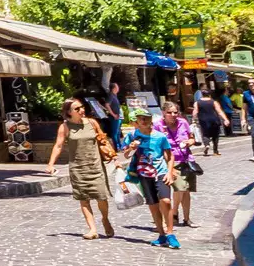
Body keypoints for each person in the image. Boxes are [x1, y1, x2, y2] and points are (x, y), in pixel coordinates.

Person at [44, 97, 115, 239]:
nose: (82, 110)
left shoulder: (92, 123)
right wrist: (50, 164)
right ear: (69, 112)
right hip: (78, 168)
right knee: (84, 199)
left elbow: (102, 140)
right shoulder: (65, 127)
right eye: (77, 109)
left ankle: (105, 219)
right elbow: (58, 146)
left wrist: (114, 158)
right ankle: (92, 229)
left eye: (82, 107)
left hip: (95, 166)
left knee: (102, 197)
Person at [122, 113, 179, 249]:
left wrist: (170, 172)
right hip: (144, 174)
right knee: (153, 205)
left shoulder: (160, 136)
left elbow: (170, 156)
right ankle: (161, 235)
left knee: (166, 201)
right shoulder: (132, 136)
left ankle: (170, 234)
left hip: (161, 172)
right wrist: (131, 148)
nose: (144, 120)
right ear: (136, 121)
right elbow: (125, 154)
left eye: (147, 118)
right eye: (141, 118)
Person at [163, 101, 199, 229]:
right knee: (180, 188)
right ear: (164, 113)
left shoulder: (183, 122)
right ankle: (173, 212)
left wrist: (190, 142)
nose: (173, 115)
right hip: (171, 161)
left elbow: (192, 138)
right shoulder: (158, 125)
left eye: (175, 112)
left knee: (187, 191)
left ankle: (187, 218)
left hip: (186, 160)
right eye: (169, 112)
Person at [194, 87, 228, 157]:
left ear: (202, 95)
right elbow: (219, 111)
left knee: (205, 134)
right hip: (214, 120)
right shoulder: (214, 102)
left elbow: (195, 112)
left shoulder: (197, 103)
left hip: (203, 120)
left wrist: (194, 120)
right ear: (209, 95)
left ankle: (207, 145)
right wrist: (225, 119)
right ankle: (215, 151)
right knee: (215, 136)